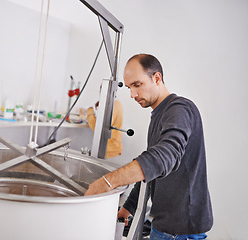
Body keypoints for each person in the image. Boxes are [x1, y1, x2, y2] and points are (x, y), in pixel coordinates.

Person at [85, 54, 213, 239]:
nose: (132, 95)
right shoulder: (158, 115)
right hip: (164, 223)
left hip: (180, 229)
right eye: (129, 87)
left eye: (137, 85)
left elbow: (163, 157)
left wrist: (107, 181)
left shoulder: (180, 108)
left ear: (157, 78)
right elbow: (152, 170)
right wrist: (128, 207)